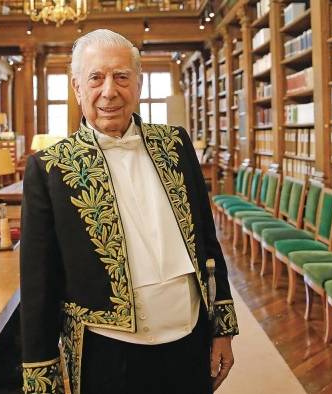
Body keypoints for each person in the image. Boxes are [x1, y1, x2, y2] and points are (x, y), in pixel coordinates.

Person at [20, 29, 239, 394]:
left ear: (137, 84)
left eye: (121, 77)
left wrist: (223, 329)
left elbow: (207, 242)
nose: (109, 91)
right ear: (77, 88)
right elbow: (37, 282)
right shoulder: (49, 167)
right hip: (105, 353)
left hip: (190, 337)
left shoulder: (176, 143)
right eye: (96, 78)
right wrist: (41, 376)